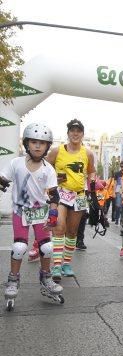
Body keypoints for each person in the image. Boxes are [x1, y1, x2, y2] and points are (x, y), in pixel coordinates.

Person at [0, 123, 63, 310]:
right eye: (33, 142)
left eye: (42, 143)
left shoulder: (48, 169)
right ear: (27, 143)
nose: (37, 146)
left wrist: (53, 213)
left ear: (47, 146)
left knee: (48, 247)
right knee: (19, 246)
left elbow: (54, 195)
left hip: (40, 213)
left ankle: (46, 278)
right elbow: (3, 180)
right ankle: (13, 280)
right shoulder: (16, 163)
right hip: (20, 212)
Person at [46, 119, 97, 281]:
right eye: (72, 131)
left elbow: (91, 172)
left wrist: (93, 187)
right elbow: (45, 168)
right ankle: (56, 266)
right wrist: (53, 180)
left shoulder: (87, 153)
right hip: (61, 194)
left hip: (79, 196)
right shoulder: (57, 151)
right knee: (59, 227)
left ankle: (66, 264)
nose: (75, 134)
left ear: (82, 134)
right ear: (68, 133)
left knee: (72, 231)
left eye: (78, 131)